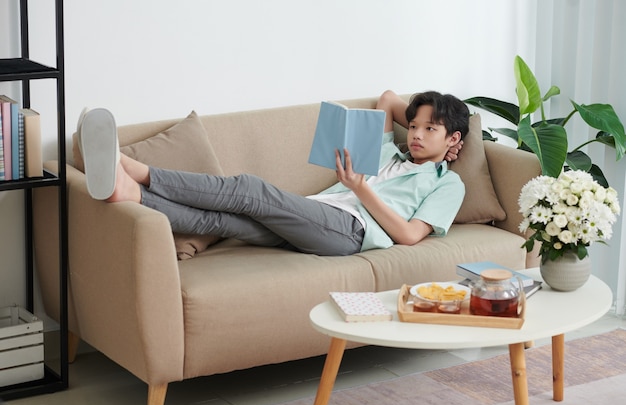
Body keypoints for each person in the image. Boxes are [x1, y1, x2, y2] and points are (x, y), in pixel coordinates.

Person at [77, 90, 469, 256]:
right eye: (413, 126)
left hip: (351, 231)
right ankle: (129, 194)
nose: (415, 134)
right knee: (225, 220)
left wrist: (363, 190)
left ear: (452, 139)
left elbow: (409, 237)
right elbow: (387, 99)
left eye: (428, 130)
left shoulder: (448, 183)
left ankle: (134, 167)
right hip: (319, 212)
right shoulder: (389, 152)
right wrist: (426, 113)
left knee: (250, 190)